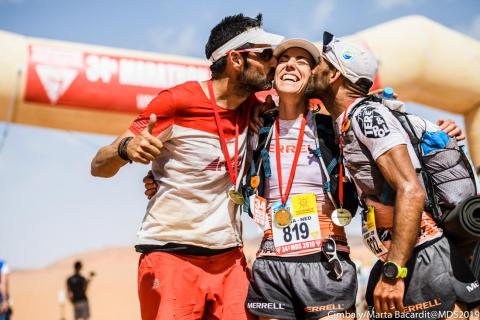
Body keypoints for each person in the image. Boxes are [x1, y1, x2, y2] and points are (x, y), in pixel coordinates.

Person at [91, 13, 284, 320]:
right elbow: (99, 165)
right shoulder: (177, 102)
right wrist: (127, 148)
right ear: (236, 60)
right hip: (172, 255)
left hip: (229, 259)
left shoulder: (257, 107)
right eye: (265, 55)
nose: (274, 63)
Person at [306, 31, 480, 319]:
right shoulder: (347, 121)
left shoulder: (366, 116)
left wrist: (393, 272)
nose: (313, 70)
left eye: (319, 64)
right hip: (406, 256)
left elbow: (411, 189)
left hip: (420, 259)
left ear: (335, 74)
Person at [243, 39, 357, 320]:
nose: (291, 64)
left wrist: (434, 134)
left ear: (313, 75)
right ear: (274, 72)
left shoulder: (332, 128)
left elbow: (382, 132)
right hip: (273, 263)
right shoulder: (256, 126)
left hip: (326, 259)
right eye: (284, 59)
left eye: (302, 60)